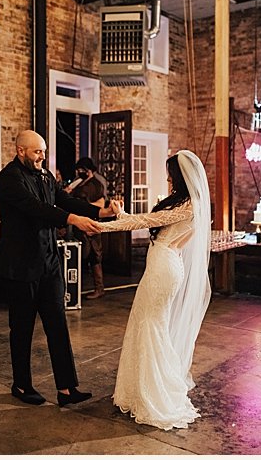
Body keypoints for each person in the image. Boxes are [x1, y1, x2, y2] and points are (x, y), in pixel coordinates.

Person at [0, 130, 112, 406]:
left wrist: (99, 213)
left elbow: (64, 199)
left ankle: (67, 389)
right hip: (21, 266)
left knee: (58, 325)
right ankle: (21, 385)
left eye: (44, 151)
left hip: (49, 263)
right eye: (37, 152)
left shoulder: (46, 176)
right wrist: (74, 220)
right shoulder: (9, 179)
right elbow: (36, 209)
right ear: (20, 150)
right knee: (21, 328)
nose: (42, 157)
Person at [95, 150, 211, 430]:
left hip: (163, 267)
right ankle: (142, 388)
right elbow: (150, 222)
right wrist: (122, 214)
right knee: (149, 323)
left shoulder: (186, 207)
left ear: (180, 176)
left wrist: (100, 226)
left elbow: (144, 222)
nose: (167, 178)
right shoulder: (192, 205)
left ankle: (153, 394)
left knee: (150, 325)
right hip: (169, 263)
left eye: (170, 173)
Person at [64, 157, 109, 299]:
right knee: (80, 254)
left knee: (94, 255)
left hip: (90, 223)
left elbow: (101, 204)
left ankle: (99, 288)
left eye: (81, 170)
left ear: (88, 170)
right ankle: (74, 288)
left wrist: (85, 207)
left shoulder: (95, 184)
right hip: (78, 224)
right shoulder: (80, 184)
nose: (79, 172)